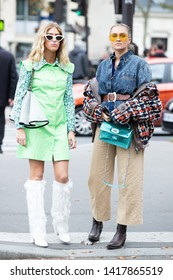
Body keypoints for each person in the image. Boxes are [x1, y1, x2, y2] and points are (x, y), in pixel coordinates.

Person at [83, 23, 154, 250]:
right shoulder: (103, 65)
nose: (118, 38)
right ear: (110, 37)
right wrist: (97, 109)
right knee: (96, 177)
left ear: (129, 38)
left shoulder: (140, 64)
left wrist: (126, 111)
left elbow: (149, 97)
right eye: (114, 35)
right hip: (105, 125)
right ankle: (97, 221)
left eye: (122, 35)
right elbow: (94, 93)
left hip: (129, 128)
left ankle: (121, 228)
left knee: (128, 180)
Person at [12, 21, 76, 248]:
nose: (54, 41)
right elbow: (19, 96)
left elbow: (69, 99)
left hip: (59, 126)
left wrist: (71, 129)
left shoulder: (67, 68)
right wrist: (19, 127)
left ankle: (61, 224)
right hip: (35, 126)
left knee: (63, 177)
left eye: (58, 37)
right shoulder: (30, 66)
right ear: (43, 38)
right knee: (36, 177)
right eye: (50, 36)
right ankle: (38, 230)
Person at [0, 47, 18, 153]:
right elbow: (13, 77)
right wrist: (11, 95)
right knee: (0, 120)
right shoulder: (8, 56)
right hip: (2, 96)